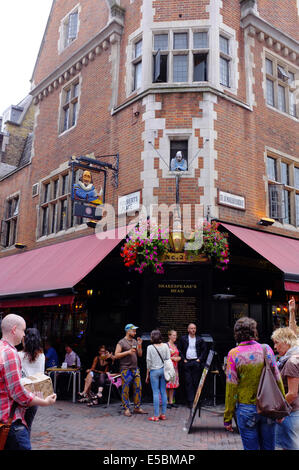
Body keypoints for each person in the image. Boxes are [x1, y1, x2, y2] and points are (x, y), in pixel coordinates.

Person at [224, 316, 284, 450]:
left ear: (236, 333)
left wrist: (227, 416)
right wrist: (281, 409)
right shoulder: (266, 349)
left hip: (246, 408)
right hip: (268, 406)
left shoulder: (234, 354)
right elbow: (277, 378)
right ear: (254, 332)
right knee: (269, 447)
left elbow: (231, 388)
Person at [0, 314, 56, 450]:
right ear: (14, 329)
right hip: (10, 419)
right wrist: (45, 402)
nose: (24, 335)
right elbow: (18, 393)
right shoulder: (10, 353)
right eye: (23, 330)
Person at [271, 326, 299, 450]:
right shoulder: (294, 358)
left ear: (286, 342)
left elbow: (292, 393)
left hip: (291, 413)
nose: (275, 347)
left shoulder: (290, 362)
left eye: (277, 342)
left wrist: (278, 411)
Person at [114, 323, 147, 417]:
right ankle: (126, 408)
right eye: (133, 330)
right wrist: (128, 352)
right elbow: (116, 355)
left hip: (135, 368)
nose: (135, 332)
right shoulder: (121, 342)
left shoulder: (135, 342)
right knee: (126, 389)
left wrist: (139, 345)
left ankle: (137, 407)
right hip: (125, 369)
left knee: (138, 387)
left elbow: (140, 355)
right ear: (128, 331)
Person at [18, 328, 45, 436]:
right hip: (35, 393)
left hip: (22, 392)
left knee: (18, 423)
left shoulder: (19, 355)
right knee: (28, 424)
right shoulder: (41, 356)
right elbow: (41, 375)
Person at [179, 323, 207, 408]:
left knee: (196, 382)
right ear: (188, 329)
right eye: (191, 328)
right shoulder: (183, 339)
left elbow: (204, 351)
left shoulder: (200, 339)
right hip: (187, 362)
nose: (193, 330)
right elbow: (179, 350)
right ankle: (190, 402)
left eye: (194, 328)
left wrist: (199, 360)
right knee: (188, 382)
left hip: (196, 362)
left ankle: (197, 401)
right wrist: (184, 359)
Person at [146, 329, 170, 422]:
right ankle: (163, 414)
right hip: (163, 370)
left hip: (154, 371)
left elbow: (148, 362)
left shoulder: (150, 347)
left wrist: (147, 374)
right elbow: (168, 359)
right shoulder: (165, 346)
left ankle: (156, 416)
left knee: (155, 392)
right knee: (163, 392)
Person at [166, 329, 181, 408]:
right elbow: (164, 357)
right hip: (168, 368)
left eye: (176, 335)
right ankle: (166, 401)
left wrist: (179, 358)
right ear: (169, 336)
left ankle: (171, 402)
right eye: (174, 335)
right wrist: (172, 359)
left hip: (175, 368)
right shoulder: (166, 345)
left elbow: (179, 355)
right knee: (167, 385)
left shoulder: (176, 346)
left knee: (172, 386)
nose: (175, 337)